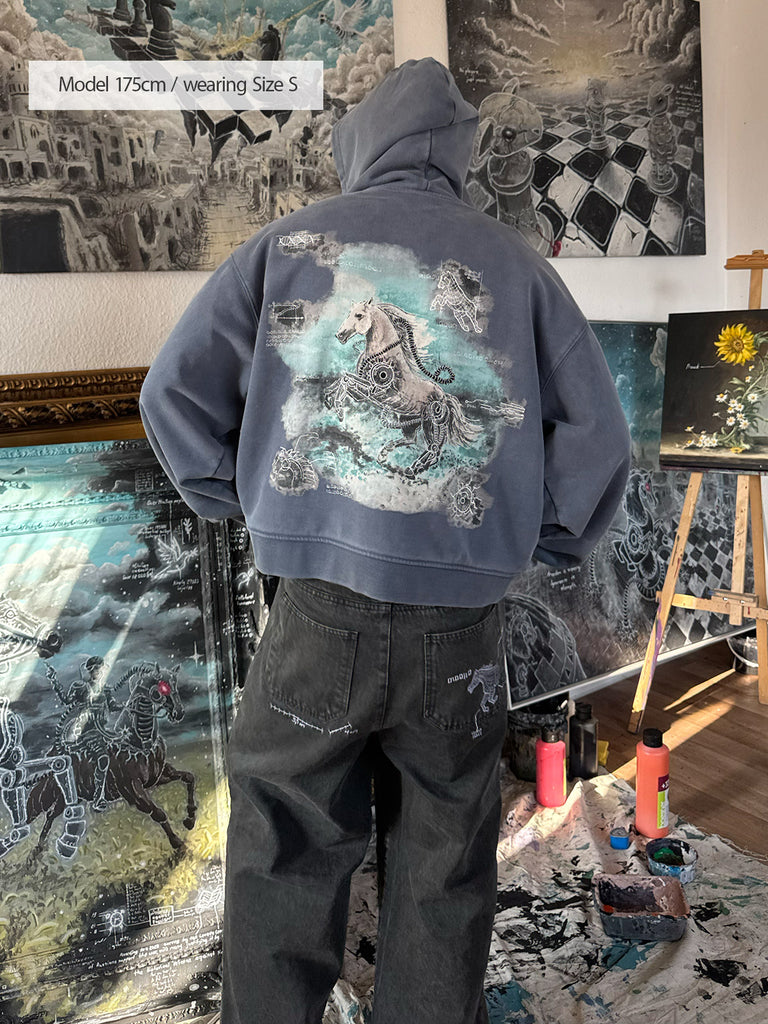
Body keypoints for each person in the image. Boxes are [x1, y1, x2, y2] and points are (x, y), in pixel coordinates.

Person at [140, 57, 630, 1024]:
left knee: (283, 840)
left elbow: (173, 394)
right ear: (460, 155)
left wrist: (241, 502)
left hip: (317, 608)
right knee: (447, 849)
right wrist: (540, 542)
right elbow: (597, 442)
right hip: (462, 622)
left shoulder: (285, 245)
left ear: (361, 141)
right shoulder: (519, 264)